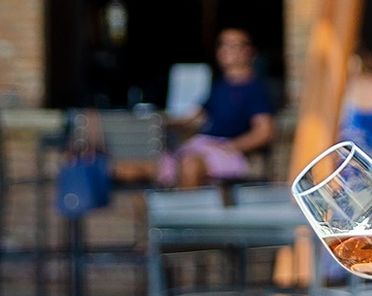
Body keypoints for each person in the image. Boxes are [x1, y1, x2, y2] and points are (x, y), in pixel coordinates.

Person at [118, 28, 275, 189]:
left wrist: (232, 146)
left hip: (229, 154)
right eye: (222, 45)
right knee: (130, 169)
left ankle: (182, 212)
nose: (225, 50)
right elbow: (194, 118)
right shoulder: (219, 86)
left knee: (190, 166)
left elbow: (264, 131)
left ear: (248, 51)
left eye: (233, 45)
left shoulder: (255, 89)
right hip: (200, 146)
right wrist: (162, 121)